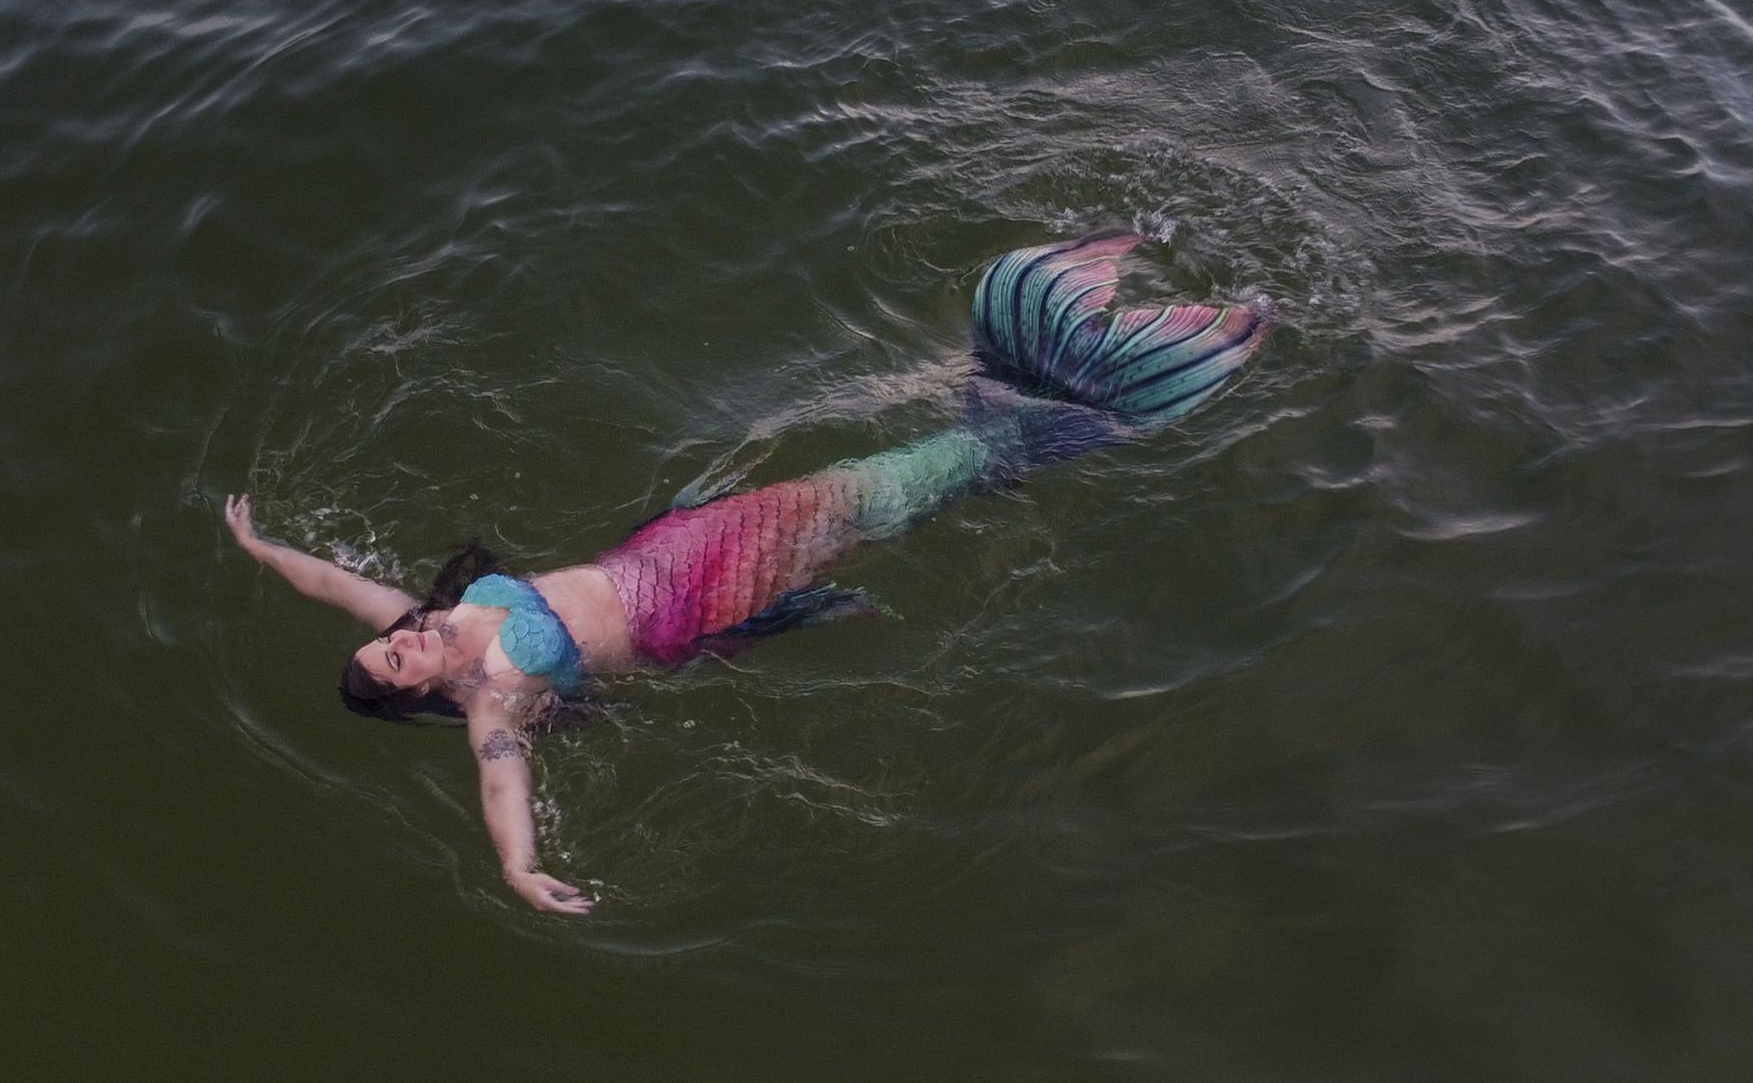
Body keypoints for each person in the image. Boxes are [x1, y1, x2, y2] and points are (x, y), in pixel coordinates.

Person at [225, 233, 1266, 915]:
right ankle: (1056, 425)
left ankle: (1006, 423)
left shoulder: (439, 611)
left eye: (389, 636)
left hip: (667, 546)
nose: (401, 636)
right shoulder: (494, 699)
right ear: (416, 691)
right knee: (861, 498)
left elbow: (334, 584)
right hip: (694, 599)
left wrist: (263, 548)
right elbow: (505, 783)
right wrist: (516, 867)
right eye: (397, 659)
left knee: (849, 491)